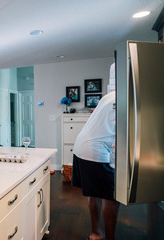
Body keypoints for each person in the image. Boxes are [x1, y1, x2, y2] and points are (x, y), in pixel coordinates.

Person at [71, 90, 119, 240]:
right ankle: (109, 238)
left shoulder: (111, 95)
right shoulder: (126, 97)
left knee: (94, 192)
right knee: (113, 196)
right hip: (95, 150)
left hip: (82, 145)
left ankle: (96, 233)